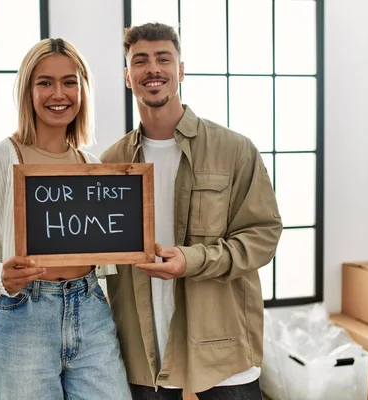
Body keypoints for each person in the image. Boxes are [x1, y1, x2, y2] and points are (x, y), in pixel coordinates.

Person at [101, 23, 283, 400]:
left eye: (163, 58)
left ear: (180, 70)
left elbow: (262, 236)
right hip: (143, 350)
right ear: (127, 76)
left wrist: (192, 259)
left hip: (222, 345)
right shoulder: (111, 162)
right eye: (140, 61)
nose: (153, 69)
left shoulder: (234, 150)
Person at [0, 38, 131, 400]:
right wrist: (1, 275)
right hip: (24, 316)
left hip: (91, 311)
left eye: (70, 81)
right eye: (45, 82)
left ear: (83, 89)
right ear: (28, 90)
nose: (59, 93)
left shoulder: (94, 168)